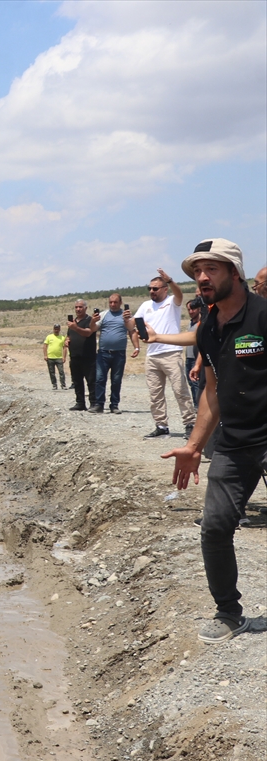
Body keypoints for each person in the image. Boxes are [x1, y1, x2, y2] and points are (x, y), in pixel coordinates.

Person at [161, 238, 265, 644]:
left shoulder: (263, 316)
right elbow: (211, 391)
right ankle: (229, 613)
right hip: (235, 443)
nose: (202, 278)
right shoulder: (208, 328)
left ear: (234, 273)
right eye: (197, 272)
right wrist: (194, 445)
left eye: (212, 269)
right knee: (215, 528)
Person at [134, 270, 196, 439]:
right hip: (152, 355)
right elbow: (134, 324)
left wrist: (170, 280)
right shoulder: (145, 306)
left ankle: (190, 424)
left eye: (155, 288)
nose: (152, 291)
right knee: (155, 393)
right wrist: (129, 325)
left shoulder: (172, 302)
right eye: (150, 288)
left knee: (180, 390)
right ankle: (161, 426)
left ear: (164, 289)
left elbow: (179, 293)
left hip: (171, 353)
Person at [89, 294, 139, 413]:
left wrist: (136, 347)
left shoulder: (126, 316)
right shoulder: (103, 315)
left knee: (116, 380)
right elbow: (93, 329)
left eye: (115, 302)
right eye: (110, 302)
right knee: (100, 379)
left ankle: (114, 405)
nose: (112, 304)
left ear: (120, 302)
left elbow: (132, 331)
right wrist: (92, 321)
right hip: (103, 353)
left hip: (119, 354)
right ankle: (99, 405)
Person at [66, 300, 97, 411]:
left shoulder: (90, 321)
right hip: (75, 356)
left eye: (80, 307)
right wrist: (67, 341)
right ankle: (80, 403)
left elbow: (88, 333)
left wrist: (76, 328)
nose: (78, 309)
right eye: (76, 307)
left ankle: (94, 403)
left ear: (85, 308)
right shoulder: (73, 323)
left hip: (88, 356)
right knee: (77, 381)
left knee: (91, 381)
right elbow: (69, 336)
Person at [184, 299, 205, 407]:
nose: (191, 311)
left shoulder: (200, 324)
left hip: (197, 358)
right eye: (188, 309)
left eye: (193, 309)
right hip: (189, 357)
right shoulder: (190, 323)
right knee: (191, 384)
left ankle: (199, 407)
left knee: (197, 384)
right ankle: (196, 405)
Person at [42, 324, 67, 389]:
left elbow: (64, 348)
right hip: (50, 358)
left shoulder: (62, 338)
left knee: (61, 372)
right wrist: (45, 355)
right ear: (53, 329)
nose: (56, 330)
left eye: (57, 329)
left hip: (59, 358)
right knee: (52, 372)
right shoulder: (49, 337)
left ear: (59, 329)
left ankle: (63, 385)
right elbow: (45, 346)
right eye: (55, 329)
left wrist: (64, 357)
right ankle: (54, 385)